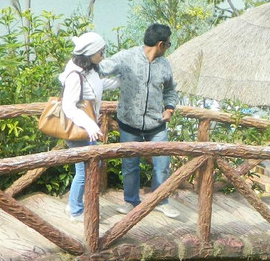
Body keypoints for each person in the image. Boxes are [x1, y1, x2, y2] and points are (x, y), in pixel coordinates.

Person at [98, 23, 180, 218]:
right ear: (160, 44)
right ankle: (131, 201)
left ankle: (161, 201)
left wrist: (169, 109)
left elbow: (170, 90)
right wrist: (79, 66)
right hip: (129, 123)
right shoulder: (127, 58)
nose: (167, 47)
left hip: (156, 124)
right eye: (168, 44)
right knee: (129, 165)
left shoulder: (164, 65)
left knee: (162, 163)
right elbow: (102, 68)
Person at [58, 32, 115, 222]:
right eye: (100, 52)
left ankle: (74, 205)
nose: (103, 56)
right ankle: (75, 209)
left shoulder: (89, 70)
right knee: (85, 168)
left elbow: (96, 86)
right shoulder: (75, 75)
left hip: (87, 127)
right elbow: (68, 106)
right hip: (79, 128)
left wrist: (123, 80)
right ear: (90, 53)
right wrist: (90, 124)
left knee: (90, 165)